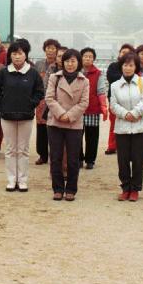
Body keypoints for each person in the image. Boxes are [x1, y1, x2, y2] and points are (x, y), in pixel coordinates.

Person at [0, 42, 45, 191]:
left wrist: (31, 103)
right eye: (14, 54)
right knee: (10, 149)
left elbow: (40, 91)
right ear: (10, 56)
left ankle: (22, 180)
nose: (17, 56)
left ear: (26, 54)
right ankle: (11, 180)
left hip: (26, 116)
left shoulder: (33, 73)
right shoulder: (3, 72)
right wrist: (2, 103)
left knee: (23, 150)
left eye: (20, 53)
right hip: (7, 115)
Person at [45, 49, 89, 201]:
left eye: (73, 61)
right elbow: (49, 98)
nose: (70, 64)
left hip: (74, 124)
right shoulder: (54, 77)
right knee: (55, 157)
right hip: (55, 122)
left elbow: (84, 103)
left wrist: (69, 116)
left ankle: (71, 189)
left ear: (78, 63)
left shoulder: (84, 81)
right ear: (62, 62)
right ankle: (57, 189)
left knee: (72, 158)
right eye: (67, 61)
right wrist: (61, 114)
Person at [110, 52, 143, 201]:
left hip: (140, 126)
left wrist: (135, 113)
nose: (128, 68)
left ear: (136, 66)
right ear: (121, 66)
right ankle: (125, 187)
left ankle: (135, 189)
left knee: (138, 159)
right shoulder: (115, 85)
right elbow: (113, 105)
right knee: (123, 159)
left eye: (131, 65)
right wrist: (125, 114)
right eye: (125, 65)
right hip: (122, 127)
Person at [79, 47, 108, 169]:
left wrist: (103, 107)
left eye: (90, 56)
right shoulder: (76, 72)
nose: (87, 58)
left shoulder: (98, 73)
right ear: (81, 58)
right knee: (77, 135)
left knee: (92, 136)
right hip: (78, 109)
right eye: (85, 56)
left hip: (92, 108)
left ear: (94, 59)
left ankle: (90, 160)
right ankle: (78, 158)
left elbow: (101, 91)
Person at [33, 38, 60, 164]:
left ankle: (54, 155)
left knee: (54, 128)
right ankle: (42, 155)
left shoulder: (60, 65)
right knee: (41, 128)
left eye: (53, 48)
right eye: (48, 48)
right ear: (45, 50)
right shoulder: (38, 64)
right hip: (41, 101)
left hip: (55, 101)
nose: (50, 51)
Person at [105, 44, 136, 155]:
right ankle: (112, 146)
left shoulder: (135, 67)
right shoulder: (113, 66)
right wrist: (126, 76)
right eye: (123, 52)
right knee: (114, 123)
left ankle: (127, 147)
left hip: (131, 100)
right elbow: (111, 78)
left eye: (128, 52)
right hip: (115, 100)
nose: (124, 54)